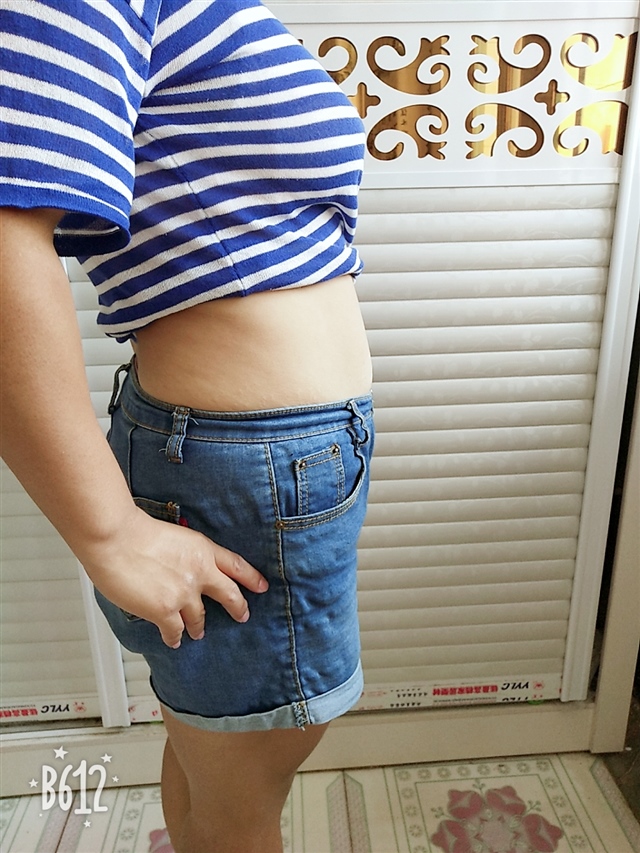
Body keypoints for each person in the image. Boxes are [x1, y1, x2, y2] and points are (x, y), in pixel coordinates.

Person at [0, 1, 373, 851]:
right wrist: (110, 534)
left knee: (220, 757)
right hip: (247, 467)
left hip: (269, 459)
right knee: (245, 787)